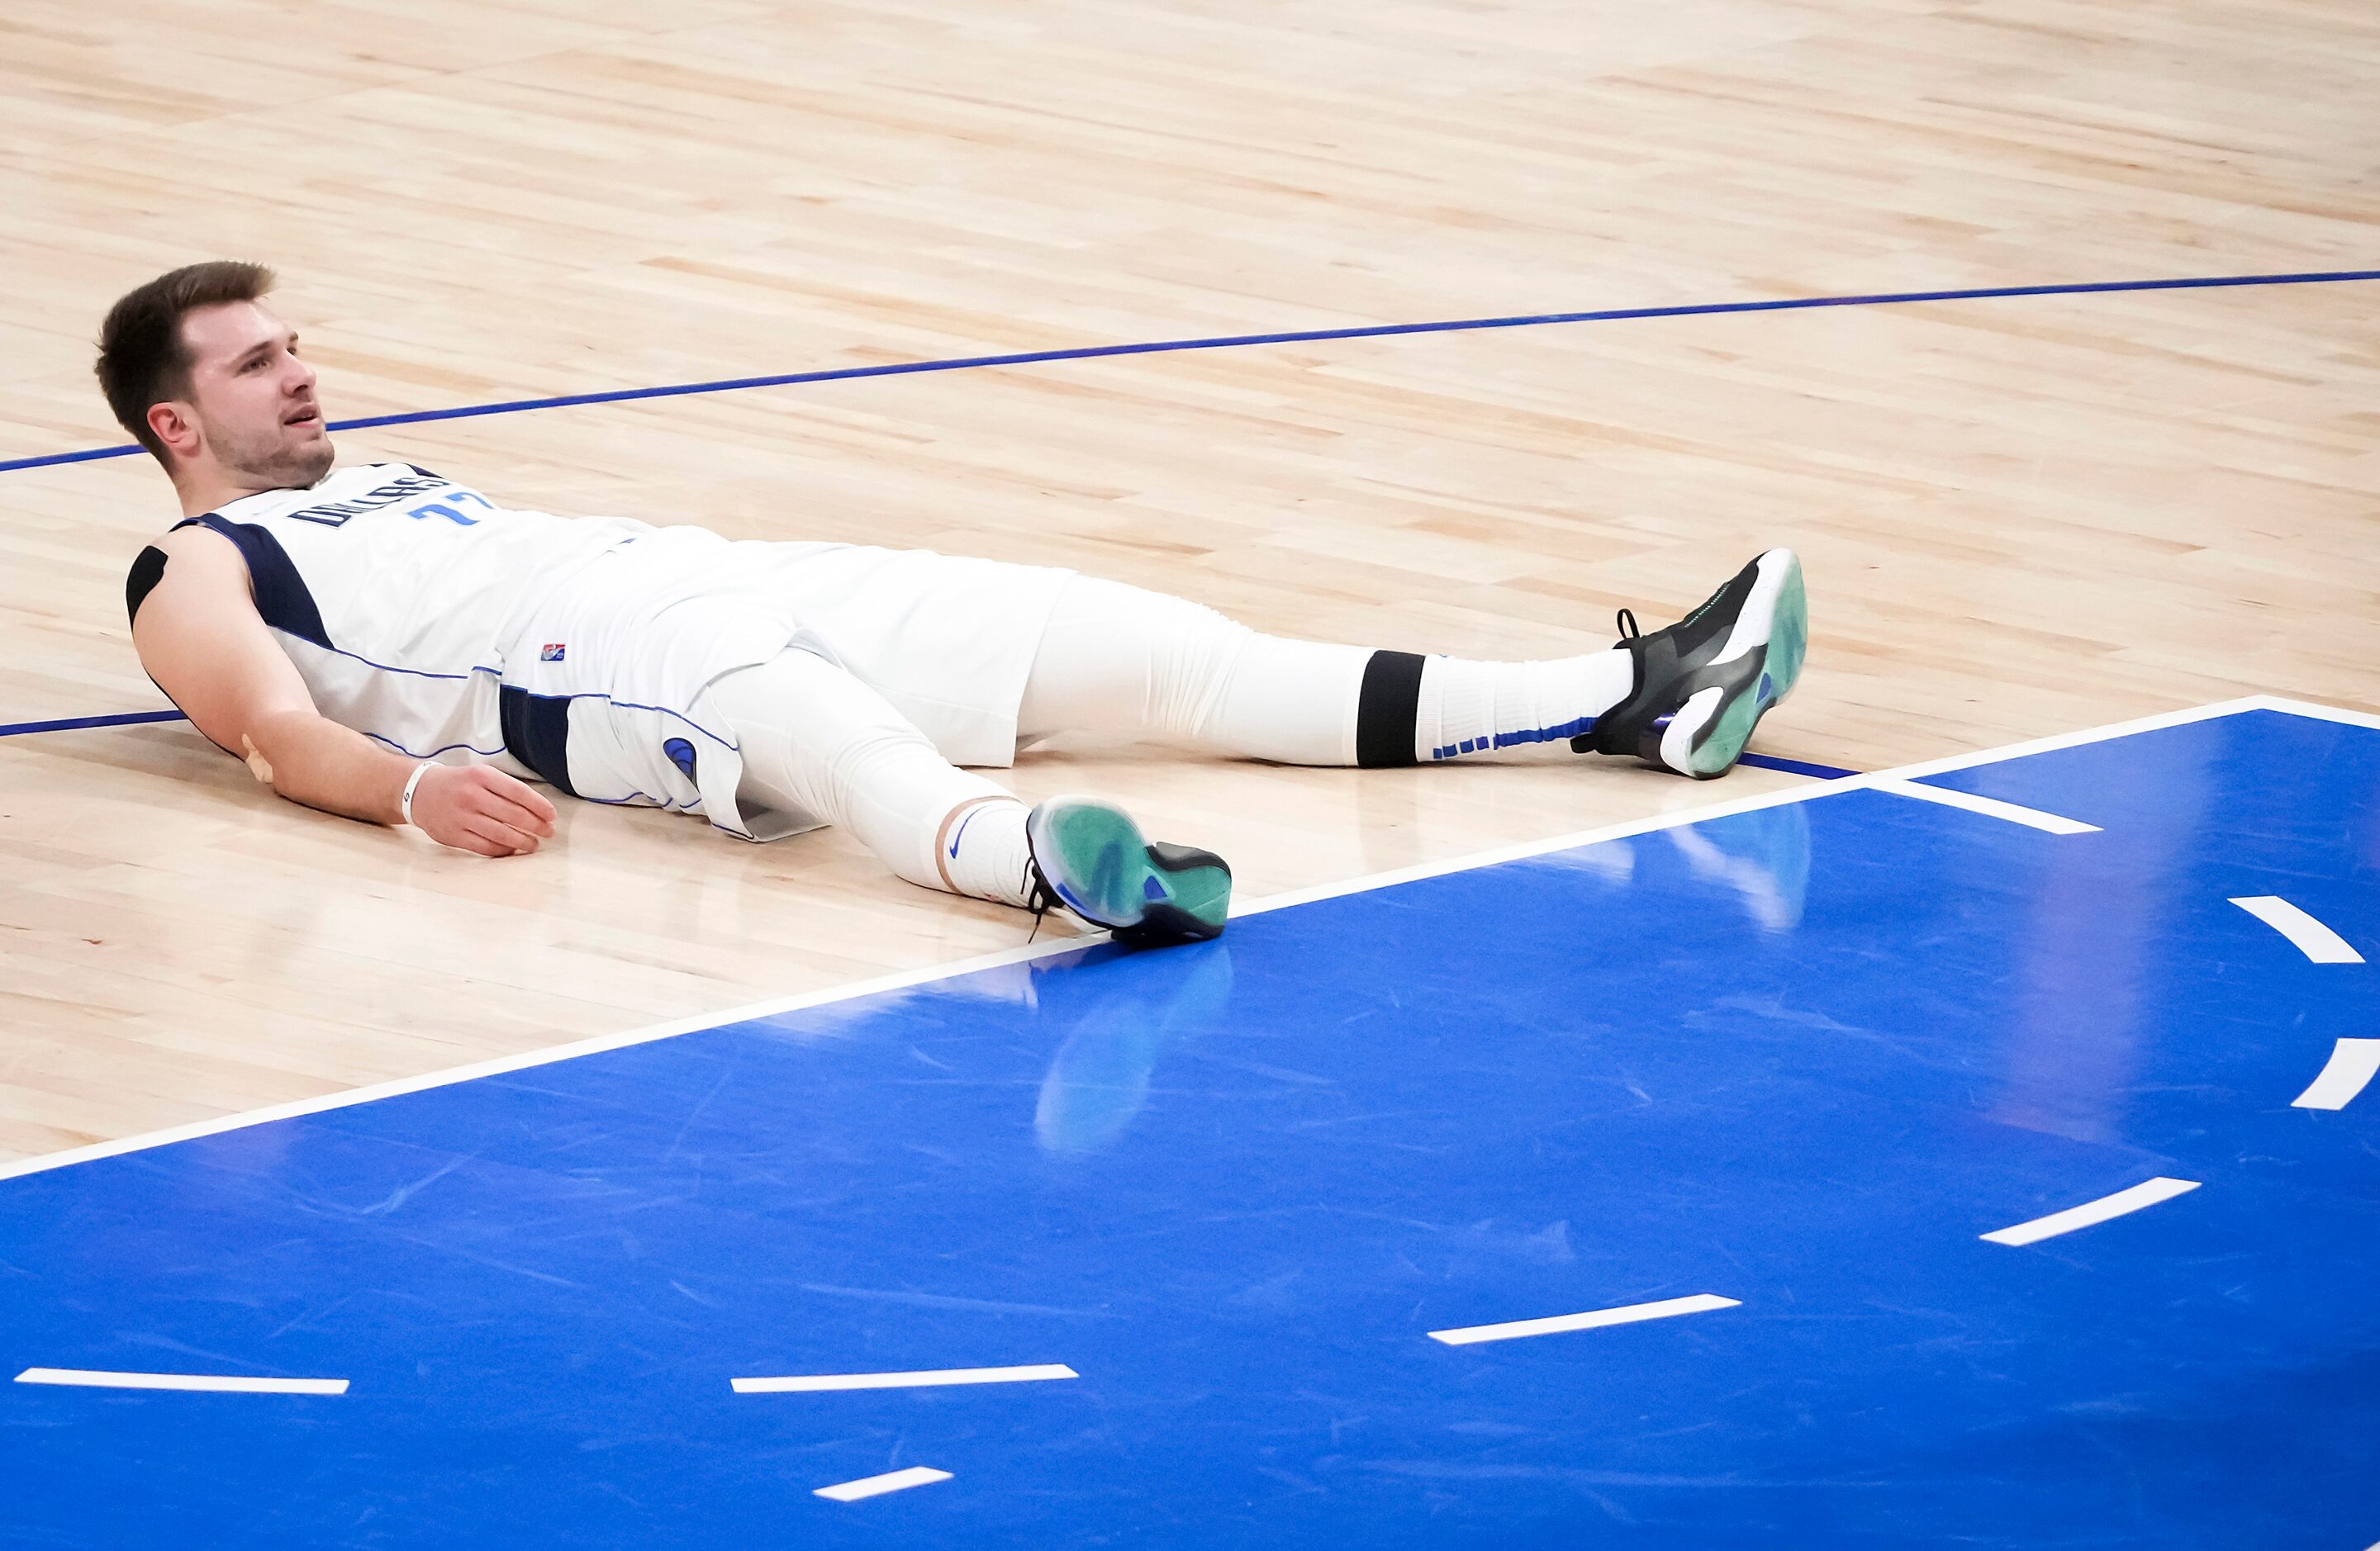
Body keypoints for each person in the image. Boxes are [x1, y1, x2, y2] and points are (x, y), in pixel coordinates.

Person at [99, 261, 1808, 948]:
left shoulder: (367, 487)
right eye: (261, 365)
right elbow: (265, 733)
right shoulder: (192, 570)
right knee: (808, 718)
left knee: (1153, 653)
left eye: (298, 342)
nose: (306, 374)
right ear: (178, 423)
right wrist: (406, 789)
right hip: (587, 667)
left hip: (707, 569)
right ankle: (1035, 870)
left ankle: (1622, 696)